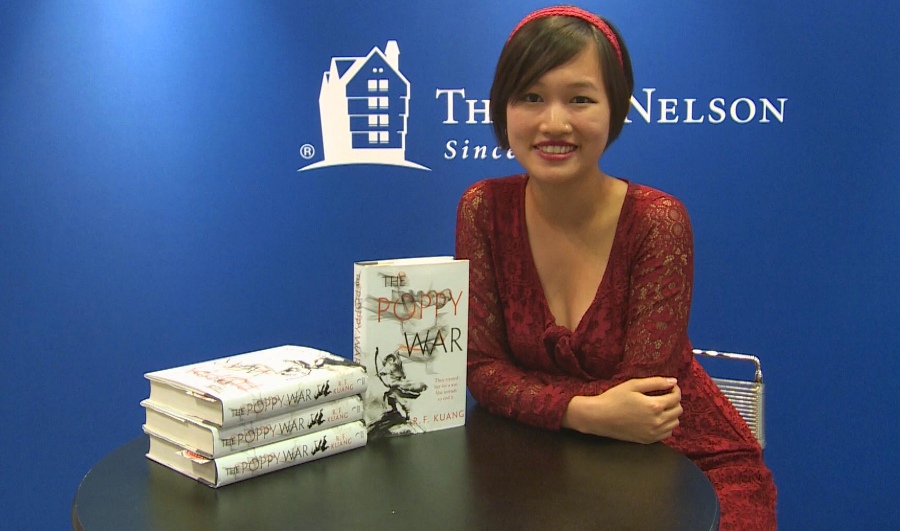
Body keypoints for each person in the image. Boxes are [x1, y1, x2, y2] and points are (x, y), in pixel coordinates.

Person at [454, 5, 777, 529]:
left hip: (682, 462)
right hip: (541, 458)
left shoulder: (656, 221)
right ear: (502, 107)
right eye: (530, 97)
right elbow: (482, 370)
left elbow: (641, 406)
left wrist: (530, 395)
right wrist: (581, 411)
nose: (553, 123)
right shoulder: (483, 209)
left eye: (580, 99)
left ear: (617, 109)